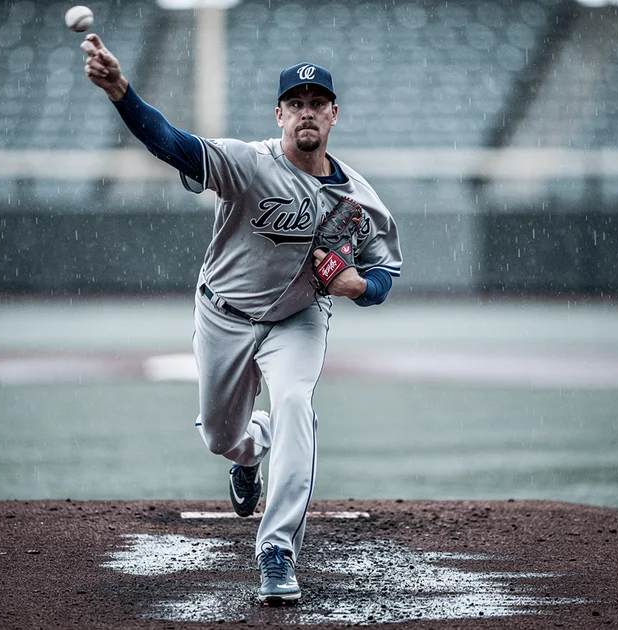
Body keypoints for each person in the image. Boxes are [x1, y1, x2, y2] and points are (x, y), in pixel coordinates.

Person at [81, 33, 402, 605]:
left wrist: (361, 286)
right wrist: (122, 93)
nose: (307, 112)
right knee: (220, 438)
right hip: (224, 314)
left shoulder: (360, 199)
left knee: (297, 404)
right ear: (280, 114)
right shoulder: (248, 164)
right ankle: (252, 451)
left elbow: (385, 272)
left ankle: (276, 550)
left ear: (334, 115)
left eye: (317, 103)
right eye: (296, 103)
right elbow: (173, 144)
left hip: (298, 319)